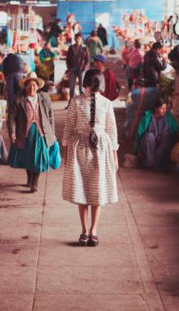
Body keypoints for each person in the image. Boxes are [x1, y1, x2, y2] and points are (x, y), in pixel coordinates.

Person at [62, 69, 119, 247]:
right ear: (101, 84)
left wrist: (114, 154)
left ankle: (91, 230)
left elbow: (111, 130)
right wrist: (66, 151)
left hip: (99, 150)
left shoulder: (106, 104)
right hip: (83, 149)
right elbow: (69, 127)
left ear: (84, 83)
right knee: (83, 190)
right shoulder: (76, 102)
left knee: (96, 191)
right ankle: (86, 230)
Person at [7, 72, 60, 193]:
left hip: (42, 133)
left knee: (39, 159)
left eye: (34, 85)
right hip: (25, 133)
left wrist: (52, 132)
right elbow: (11, 118)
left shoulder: (44, 98)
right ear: (25, 87)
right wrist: (12, 132)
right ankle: (30, 178)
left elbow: (51, 116)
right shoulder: (19, 100)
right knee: (28, 158)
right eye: (29, 85)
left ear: (38, 86)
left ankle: (35, 182)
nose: (32, 88)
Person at [134, 97, 179, 170]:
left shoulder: (168, 117)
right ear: (155, 108)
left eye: (165, 108)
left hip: (162, 147)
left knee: (167, 137)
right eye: (162, 108)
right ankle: (149, 163)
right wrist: (137, 150)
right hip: (149, 147)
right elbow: (139, 134)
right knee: (149, 136)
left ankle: (159, 164)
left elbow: (176, 132)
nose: (164, 111)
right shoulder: (147, 117)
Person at [66, 33, 90, 102]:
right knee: (71, 87)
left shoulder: (85, 48)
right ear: (74, 39)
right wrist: (69, 68)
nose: (77, 40)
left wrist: (84, 68)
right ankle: (71, 103)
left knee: (81, 87)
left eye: (79, 38)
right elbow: (67, 59)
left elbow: (87, 60)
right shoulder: (71, 48)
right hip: (72, 69)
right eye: (76, 38)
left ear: (81, 39)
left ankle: (82, 102)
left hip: (81, 69)